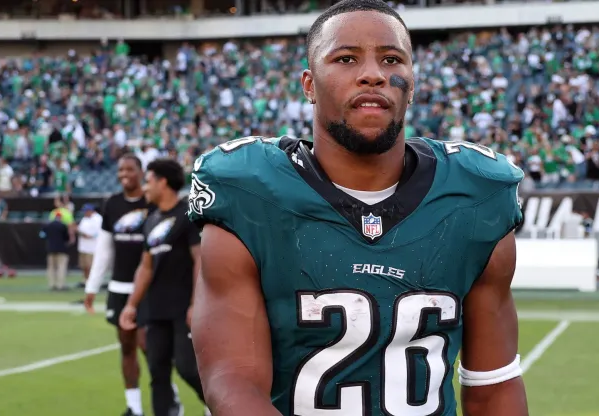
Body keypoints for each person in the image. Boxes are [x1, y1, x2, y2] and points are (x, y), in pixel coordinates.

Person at [188, 1, 528, 415]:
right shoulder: (249, 193)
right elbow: (232, 381)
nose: (373, 74)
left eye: (391, 59)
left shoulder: (475, 196)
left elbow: (494, 387)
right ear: (309, 85)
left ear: (413, 83)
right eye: (346, 58)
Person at [84, 154, 181, 416]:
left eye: (130, 169)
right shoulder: (112, 204)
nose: (124, 173)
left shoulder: (154, 202)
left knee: (150, 348)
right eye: (120, 169)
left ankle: (169, 398)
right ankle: (134, 407)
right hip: (119, 287)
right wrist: (92, 287)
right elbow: (104, 250)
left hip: (149, 289)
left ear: (142, 173)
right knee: (126, 347)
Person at [119, 158, 208, 416]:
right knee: (157, 372)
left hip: (183, 308)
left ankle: (222, 406)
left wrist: (196, 303)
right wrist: (131, 305)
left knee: (187, 367)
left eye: (148, 181)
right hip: (155, 309)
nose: (145, 188)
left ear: (163, 182)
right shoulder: (150, 220)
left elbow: (199, 260)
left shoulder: (188, 215)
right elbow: (145, 267)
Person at [40, 212, 71, 291]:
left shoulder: (48, 225)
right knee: (61, 267)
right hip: (61, 249)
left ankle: (52, 284)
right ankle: (60, 285)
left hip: (50, 249)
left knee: (51, 268)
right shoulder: (63, 226)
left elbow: (42, 235)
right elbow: (66, 238)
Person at [76, 203, 102, 288]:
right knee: (84, 266)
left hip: (92, 248)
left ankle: (93, 282)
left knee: (91, 266)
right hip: (83, 247)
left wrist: (87, 235)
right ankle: (86, 281)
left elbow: (98, 233)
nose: (84, 213)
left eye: (86, 211)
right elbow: (81, 229)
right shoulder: (85, 219)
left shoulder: (98, 219)